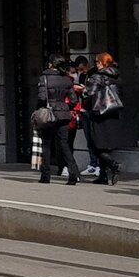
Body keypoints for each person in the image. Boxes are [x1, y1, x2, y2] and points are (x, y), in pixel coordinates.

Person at [36, 54, 81, 185]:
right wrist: (64, 107)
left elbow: (42, 98)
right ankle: (73, 173)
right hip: (63, 114)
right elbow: (73, 100)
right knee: (65, 144)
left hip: (49, 114)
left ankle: (46, 175)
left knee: (46, 144)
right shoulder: (66, 80)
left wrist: (38, 110)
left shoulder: (44, 78)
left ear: (50, 64)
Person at [83, 53, 123, 186]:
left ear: (102, 63)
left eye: (97, 61)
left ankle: (114, 165)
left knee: (95, 145)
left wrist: (83, 90)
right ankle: (103, 175)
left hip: (99, 113)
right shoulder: (117, 76)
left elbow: (90, 95)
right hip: (112, 113)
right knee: (104, 145)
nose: (96, 63)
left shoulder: (97, 76)